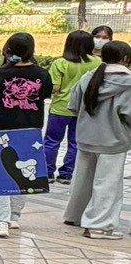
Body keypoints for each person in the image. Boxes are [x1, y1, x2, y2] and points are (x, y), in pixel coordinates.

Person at [0, 33, 52, 238]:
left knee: (0, 173)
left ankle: (0, 221)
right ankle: (13, 217)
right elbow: (46, 94)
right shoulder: (42, 74)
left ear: (8, 49)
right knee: (26, 172)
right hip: (30, 131)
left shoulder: (0, 74)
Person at [63, 41, 131, 239]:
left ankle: (74, 216)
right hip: (113, 140)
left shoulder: (89, 76)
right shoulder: (127, 83)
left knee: (83, 179)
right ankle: (98, 226)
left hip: (86, 137)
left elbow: (73, 106)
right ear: (125, 59)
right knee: (107, 183)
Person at [45, 31, 99, 183]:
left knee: (52, 141)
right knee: (75, 142)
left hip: (60, 108)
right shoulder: (97, 63)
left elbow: (55, 87)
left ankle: (48, 172)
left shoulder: (60, 63)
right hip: (83, 108)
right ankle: (67, 174)